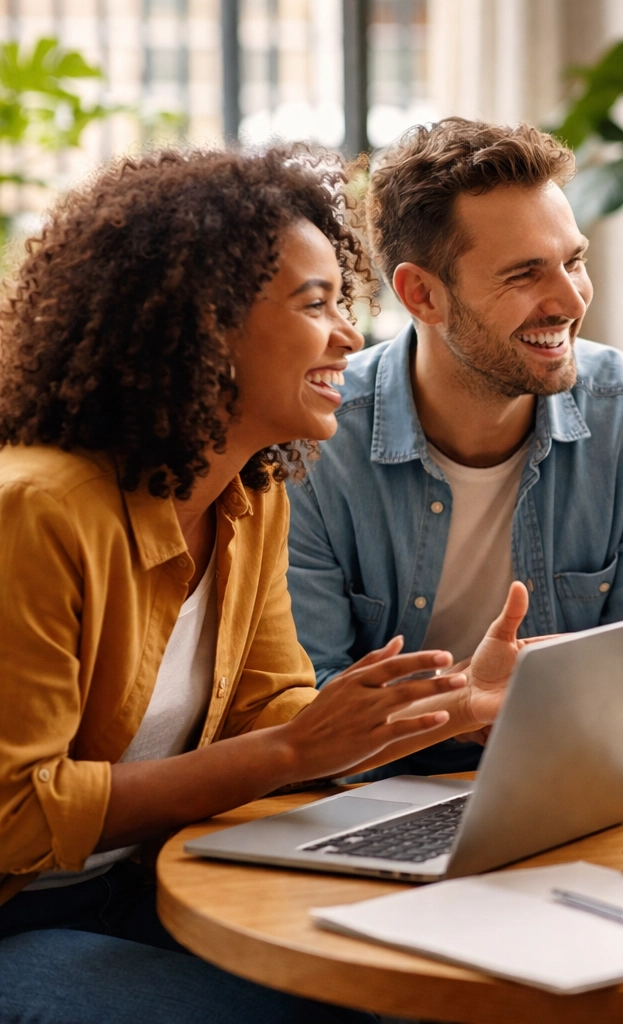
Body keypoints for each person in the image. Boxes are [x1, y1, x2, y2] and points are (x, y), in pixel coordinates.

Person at [0, 146, 533, 1023]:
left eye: (344, 301)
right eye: (314, 304)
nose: (350, 336)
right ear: (204, 326)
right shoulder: (39, 511)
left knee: (431, 989)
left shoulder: (250, 495)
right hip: (21, 919)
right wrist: (291, 752)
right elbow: (18, 813)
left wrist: (454, 705)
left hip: (146, 890)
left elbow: (271, 718)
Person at [286, 118, 623, 775]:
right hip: (373, 805)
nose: (570, 300)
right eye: (525, 275)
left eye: (575, 261)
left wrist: (456, 714)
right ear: (421, 294)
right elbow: (305, 715)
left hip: (593, 791)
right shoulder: (315, 438)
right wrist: (469, 703)